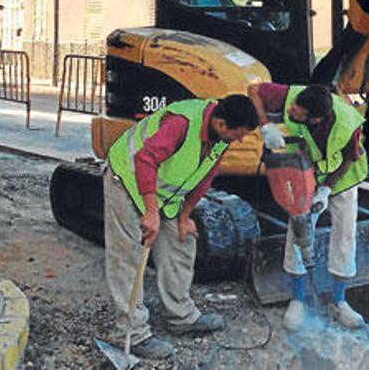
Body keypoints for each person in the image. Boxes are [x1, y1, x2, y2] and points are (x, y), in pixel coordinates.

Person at [103, 94, 259, 359]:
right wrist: (151, 212)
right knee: (128, 255)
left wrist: (185, 216)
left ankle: (180, 316)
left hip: (163, 190)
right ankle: (130, 333)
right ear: (221, 123)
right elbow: (144, 160)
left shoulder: (220, 138)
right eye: (238, 133)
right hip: (127, 180)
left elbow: (204, 177)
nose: (240, 139)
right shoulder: (181, 124)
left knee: (182, 241)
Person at [247, 82, 368, 330]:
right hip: (306, 173)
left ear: (316, 119)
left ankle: (339, 301)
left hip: (342, 177)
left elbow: (349, 159)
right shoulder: (294, 97)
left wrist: (326, 190)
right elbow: (253, 90)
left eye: (298, 113)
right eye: (293, 106)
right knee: (299, 229)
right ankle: (298, 300)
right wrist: (265, 125)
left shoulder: (347, 124)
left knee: (345, 234)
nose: (290, 110)